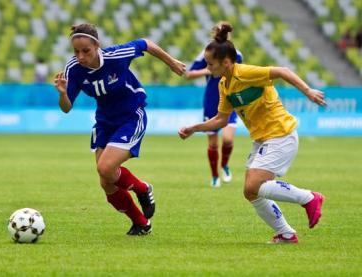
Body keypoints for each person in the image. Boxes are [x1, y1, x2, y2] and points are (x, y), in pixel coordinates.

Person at [179, 22, 325, 244]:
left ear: (226, 62)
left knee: (253, 185)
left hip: (281, 134)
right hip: (263, 139)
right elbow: (220, 119)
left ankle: (309, 198)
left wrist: (308, 91)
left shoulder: (245, 72)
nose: (208, 69)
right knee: (251, 192)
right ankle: (286, 234)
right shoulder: (224, 85)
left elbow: (282, 71)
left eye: (211, 65)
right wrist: (193, 128)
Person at [54, 23, 186, 236]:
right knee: (106, 181)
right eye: (76, 51)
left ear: (97, 45)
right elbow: (67, 108)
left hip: (131, 116)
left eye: (85, 51)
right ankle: (141, 223)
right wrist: (62, 93)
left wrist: (171, 63)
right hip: (105, 122)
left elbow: (146, 43)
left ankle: (142, 189)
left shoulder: (117, 55)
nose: (80, 56)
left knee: (105, 168)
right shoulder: (73, 69)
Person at [186, 22, 242, 188]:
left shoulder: (236, 54)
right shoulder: (207, 53)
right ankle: (215, 175)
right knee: (212, 143)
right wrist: (208, 70)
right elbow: (189, 74)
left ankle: (224, 165)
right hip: (211, 100)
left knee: (227, 139)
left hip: (229, 99)